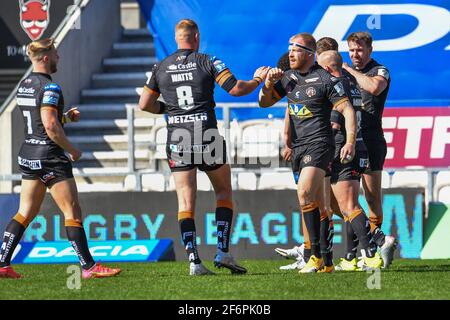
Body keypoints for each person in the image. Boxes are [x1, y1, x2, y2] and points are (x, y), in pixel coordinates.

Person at [138, 19, 269, 275]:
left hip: (177, 137)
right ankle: (223, 252)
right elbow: (236, 89)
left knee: (186, 201)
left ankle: (194, 262)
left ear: (177, 38)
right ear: (196, 37)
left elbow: (144, 104)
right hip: (206, 134)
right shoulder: (208, 61)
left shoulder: (161, 67)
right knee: (223, 192)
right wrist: (257, 80)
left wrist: (169, 109)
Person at [0, 38, 121, 279]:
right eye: (56, 53)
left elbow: (39, 121)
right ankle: (89, 267)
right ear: (46, 58)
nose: (59, 57)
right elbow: (50, 126)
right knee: (72, 212)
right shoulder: (50, 88)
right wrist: (72, 149)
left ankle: (2, 264)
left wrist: (64, 117)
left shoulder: (24, 84)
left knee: (24, 212)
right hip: (50, 157)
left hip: (28, 155)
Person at [259, 33, 356, 273]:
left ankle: (313, 256)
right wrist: (269, 84)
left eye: (296, 49)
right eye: (289, 48)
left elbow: (348, 110)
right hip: (299, 147)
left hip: (321, 144)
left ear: (310, 53)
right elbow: (264, 102)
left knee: (304, 193)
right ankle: (327, 260)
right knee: (318, 205)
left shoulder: (324, 79)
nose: (290, 53)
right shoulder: (288, 78)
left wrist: (350, 142)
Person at [343, 31, 397, 268]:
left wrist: (350, 71)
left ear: (370, 51)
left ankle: (376, 241)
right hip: (349, 141)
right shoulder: (341, 74)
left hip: (372, 139)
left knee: (372, 195)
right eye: (352, 50)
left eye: (360, 50)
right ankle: (367, 248)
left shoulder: (379, 70)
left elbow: (374, 89)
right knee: (348, 197)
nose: (355, 54)